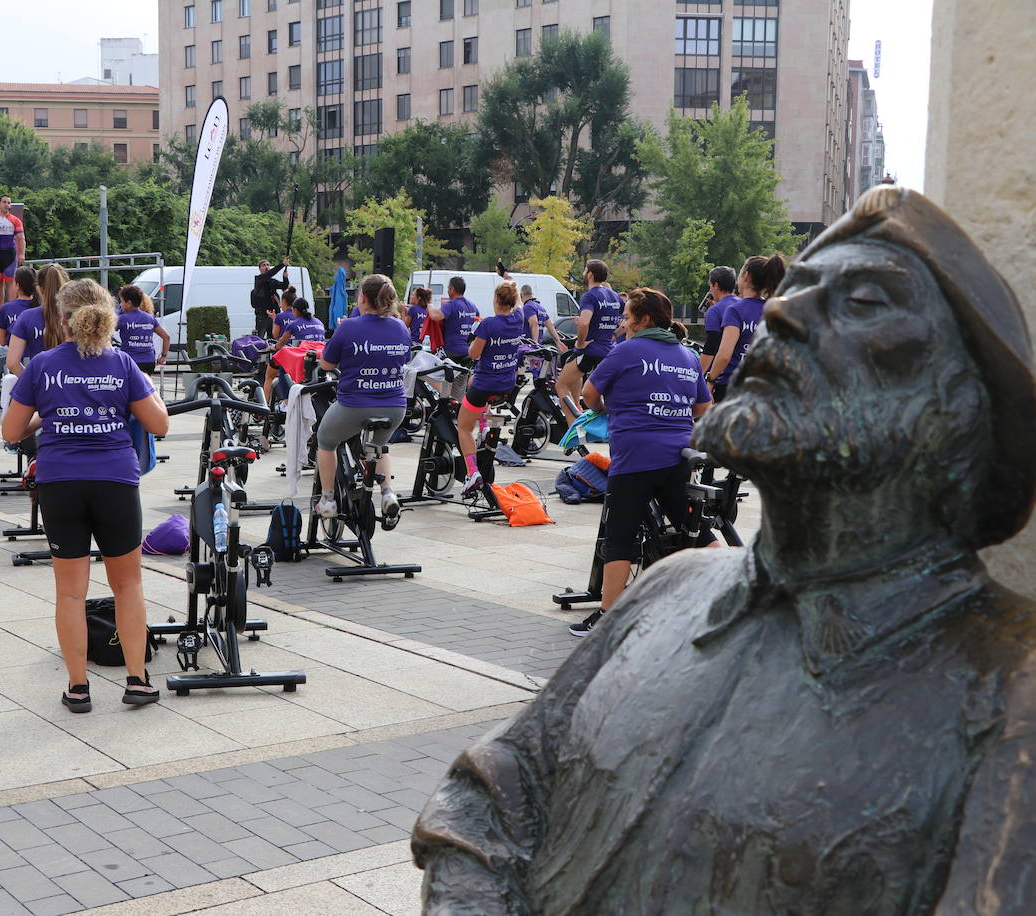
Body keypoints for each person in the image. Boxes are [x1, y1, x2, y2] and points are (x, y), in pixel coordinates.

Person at [412, 186, 1036, 914]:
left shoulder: (1010, 700)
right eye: (795, 287)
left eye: (864, 302)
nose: (781, 313)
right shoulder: (671, 589)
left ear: (958, 410)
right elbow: (492, 790)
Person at [2, 279, 170, 712]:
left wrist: (50, 416)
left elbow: (9, 432)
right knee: (128, 585)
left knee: (71, 593)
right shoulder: (123, 363)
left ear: (61, 320)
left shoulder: (41, 365)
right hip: (114, 481)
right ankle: (137, 680)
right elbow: (159, 426)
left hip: (61, 484)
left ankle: (78, 688)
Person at [568, 288, 713, 634]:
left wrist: (604, 410)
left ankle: (608, 617)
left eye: (627, 315)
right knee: (694, 526)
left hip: (634, 455)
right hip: (678, 454)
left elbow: (589, 395)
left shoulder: (626, 351)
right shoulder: (687, 355)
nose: (623, 321)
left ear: (643, 319)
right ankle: (726, 583)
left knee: (620, 535)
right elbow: (703, 408)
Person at [315, 274, 412, 520]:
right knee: (379, 447)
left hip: (354, 405)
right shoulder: (400, 327)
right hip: (394, 407)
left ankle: (327, 500)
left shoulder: (349, 325)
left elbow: (327, 364)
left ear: (363, 298)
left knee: (325, 440)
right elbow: (404, 359)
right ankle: (388, 493)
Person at [456, 281, 528, 497]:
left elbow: (474, 354)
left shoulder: (488, 324)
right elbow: (520, 304)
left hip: (485, 385)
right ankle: (485, 425)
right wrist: (508, 279)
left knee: (463, 427)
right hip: (506, 383)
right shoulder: (519, 318)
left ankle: (472, 474)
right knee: (471, 384)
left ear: (496, 299)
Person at [707, 254, 787, 401]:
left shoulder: (735, 310)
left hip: (734, 385)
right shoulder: (773, 310)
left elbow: (724, 355)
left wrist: (710, 380)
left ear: (746, 275)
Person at [554, 260, 624, 426]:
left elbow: (584, 323)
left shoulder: (590, 296)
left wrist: (580, 343)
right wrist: (614, 334)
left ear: (590, 274)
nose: (584, 273)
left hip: (590, 350)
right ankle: (587, 415)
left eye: (585, 270)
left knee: (561, 385)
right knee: (591, 387)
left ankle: (574, 429)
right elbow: (627, 320)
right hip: (608, 350)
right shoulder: (613, 295)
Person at [7, 263, 69, 375]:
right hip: (72, 385)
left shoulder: (27, 317)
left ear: (39, 289)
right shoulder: (77, 316)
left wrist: (31, 383)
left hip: (41, 381)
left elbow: (12, 363)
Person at [426, 276, 480, 399]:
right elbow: (476, 320)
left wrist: (429, 305)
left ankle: (446, 396)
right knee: (457, 379)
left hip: (451, 349)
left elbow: (436, 316)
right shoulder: (472, 305)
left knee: (424, 368)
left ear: (452, 289)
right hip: (467, 350)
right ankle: (455, 398)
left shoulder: (452, 304)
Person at [116, 284, 170, 373]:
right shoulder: (150, 317)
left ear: (129, 303)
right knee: (145, 385)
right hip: (149, 361)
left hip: (130, 361)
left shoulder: (122, 319)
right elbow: (166, 337)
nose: (120, 305)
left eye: (122, 302)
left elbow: (107, 330)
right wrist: (163, 356)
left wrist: (116, 315)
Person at [699, 265, 739, 375]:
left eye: (710, 286)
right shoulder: (742, 305)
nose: (710, 290)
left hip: (722, 374)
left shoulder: (715, 311)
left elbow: (711, 347)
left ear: (716, 285)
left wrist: (698, 375)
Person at [0, 265, 39, 347]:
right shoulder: (40, 306)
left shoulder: (7, 308)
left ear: (17, 285)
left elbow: (2, 341)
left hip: (15, 355)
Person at [520, 284, 568, 351]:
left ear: (521, 295)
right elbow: (550, 326)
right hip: (539, 344)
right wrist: (558, 341)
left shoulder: (527, 307)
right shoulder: (541, 308)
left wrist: (534, 345)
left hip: (528, 346)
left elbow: (534, 324)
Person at [251, 257, 290, 337]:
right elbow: (270, 273)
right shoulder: (259, 279)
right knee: (260, 338)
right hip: (262, 316)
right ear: (260, 268)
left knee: (274, 338)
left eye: (268, 265)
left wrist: (285, 278)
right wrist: (282, 264)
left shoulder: (272, 281)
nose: (266, 267)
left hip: (274, 316)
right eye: (264, 265)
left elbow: (284, 286)